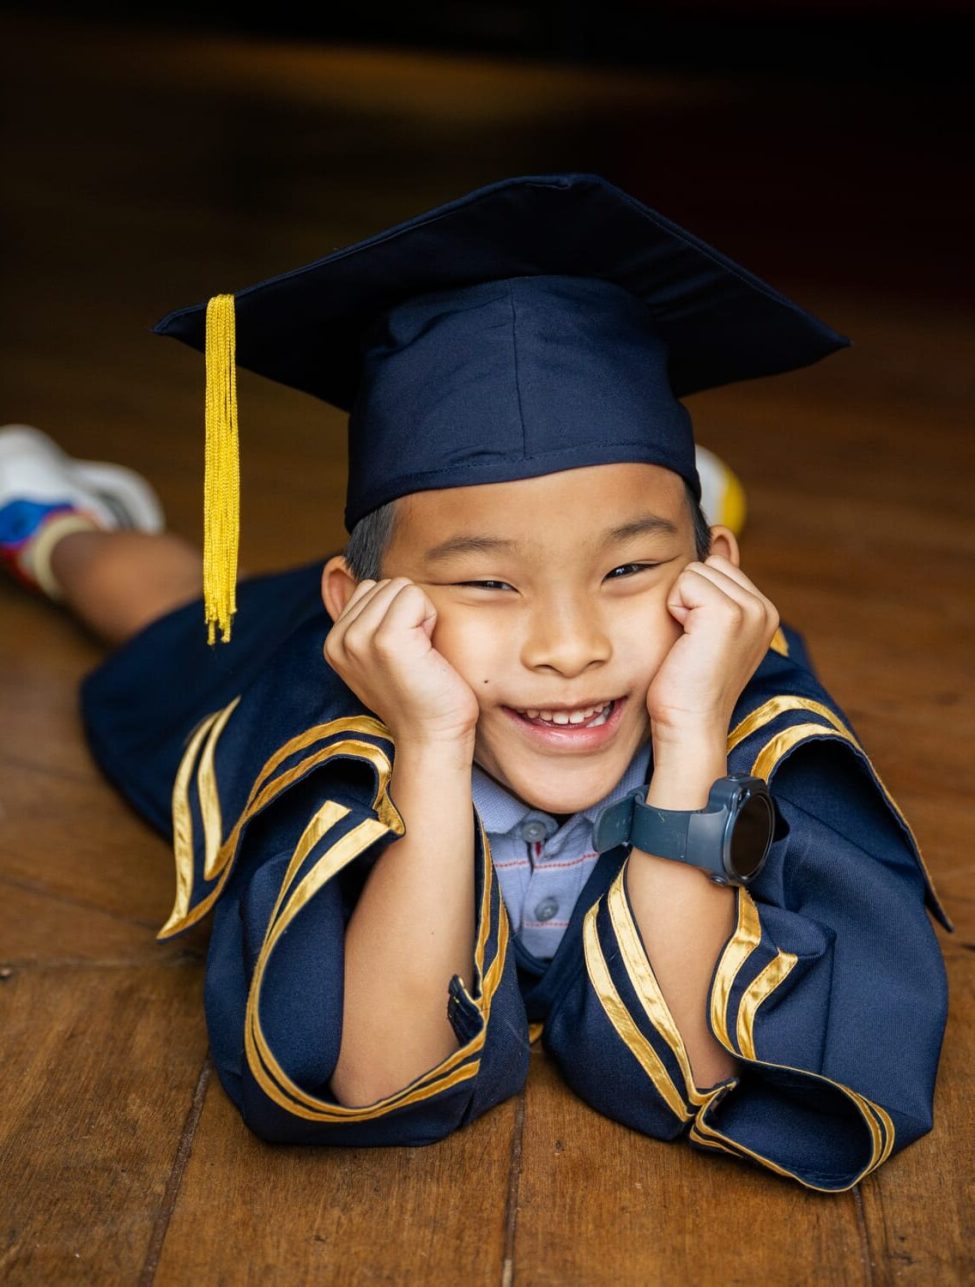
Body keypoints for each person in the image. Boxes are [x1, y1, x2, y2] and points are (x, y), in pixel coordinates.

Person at [0, 173, 952, 1192]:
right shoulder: (335, 729)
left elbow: (698, 1070)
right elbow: (374, 1076)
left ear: (716, 574)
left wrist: (687, 742)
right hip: (337, 663)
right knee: (159, 608)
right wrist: (431, 743)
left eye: (629, 567)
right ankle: (49, 520)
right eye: (489, 579)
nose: (570, 647)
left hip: (598, 676)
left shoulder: (749, 698)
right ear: (358, 599)